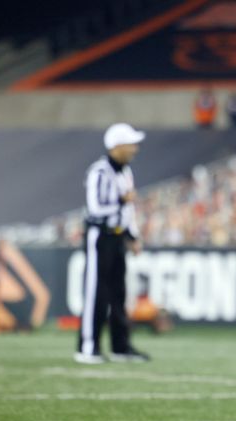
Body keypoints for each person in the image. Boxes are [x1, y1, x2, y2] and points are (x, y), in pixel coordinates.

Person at [75, 123, 150, 364]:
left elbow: (128, 212)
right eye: (131, 144)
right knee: (96, 292)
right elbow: (95, 208)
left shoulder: (125, 172)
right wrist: (121, 199)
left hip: (117, 237)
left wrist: (132, 236)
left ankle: (120, 346)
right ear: (117, 146)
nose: (135, 149)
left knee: (119, 293)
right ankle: (88, 346)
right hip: (100, 235)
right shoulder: (99, 172)